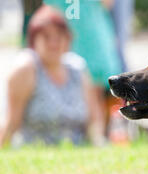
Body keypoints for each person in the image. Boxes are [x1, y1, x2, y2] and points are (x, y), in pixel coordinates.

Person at [0, 5, 103, 147]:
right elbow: (12, 123)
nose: (53, 42)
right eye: (46, 36)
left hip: (76, 149)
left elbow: (94, 120)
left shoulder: (77, 68)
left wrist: (98, 145)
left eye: (59, 36)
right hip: (35, 148)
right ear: (33, 41)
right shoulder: (26, 68)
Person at [44, 0, 122, 138]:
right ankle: (94, 136)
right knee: (87, 92)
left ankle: (98, 135)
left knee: (93, 91)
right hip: (78, 35)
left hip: (84, 35)